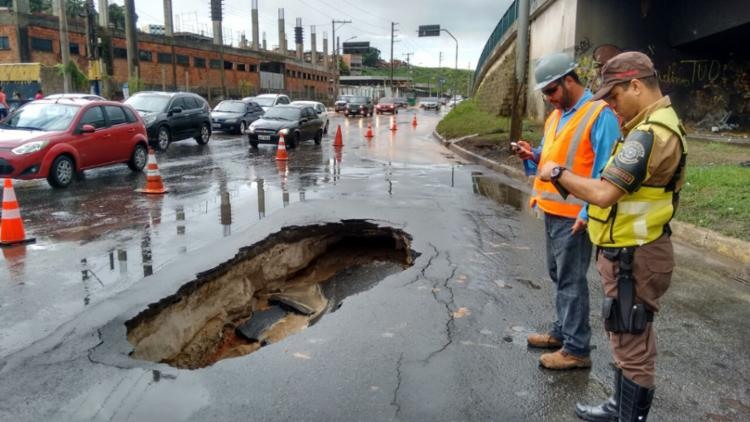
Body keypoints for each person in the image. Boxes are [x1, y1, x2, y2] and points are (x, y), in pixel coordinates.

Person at [537, 51, 687, 421]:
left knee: (632, 339)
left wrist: (559, 173)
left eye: (615, 95)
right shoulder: (645, 127)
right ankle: (618, 406)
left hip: (637, 254)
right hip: (627, 251)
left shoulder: (652, 134)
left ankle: (627, 416)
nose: (611, 104)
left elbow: (604, 191)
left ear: (635, 85)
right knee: (623, 332)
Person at [512, 52, 620, 370]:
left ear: (569, 81)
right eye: (545, 93)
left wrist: (587, 213)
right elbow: (552, 156)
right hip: (552, 209)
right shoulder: (557, 115)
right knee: (558, 275)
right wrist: (532, 154)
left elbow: (606, 169)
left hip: (575, 216)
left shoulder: (599, 114)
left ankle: (576, 349)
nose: (548, 99)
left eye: (551, 91)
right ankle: (562, 332)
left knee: (571, 280)